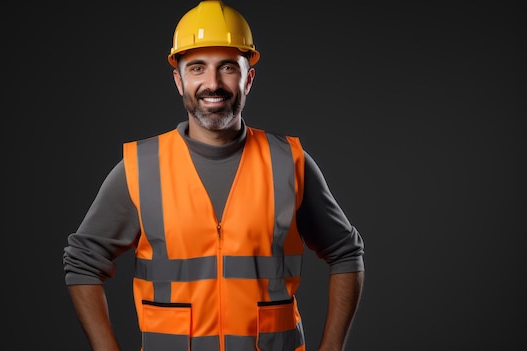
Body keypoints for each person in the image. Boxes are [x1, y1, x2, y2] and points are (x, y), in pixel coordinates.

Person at [63, 1, 365, 350]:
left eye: (227, 68)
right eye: (196, 68)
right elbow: (82, 262)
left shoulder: (289, 162)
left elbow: (346, 252)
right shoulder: (140, 167)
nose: (213, 83)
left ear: (248, 78)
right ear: (179, 80)